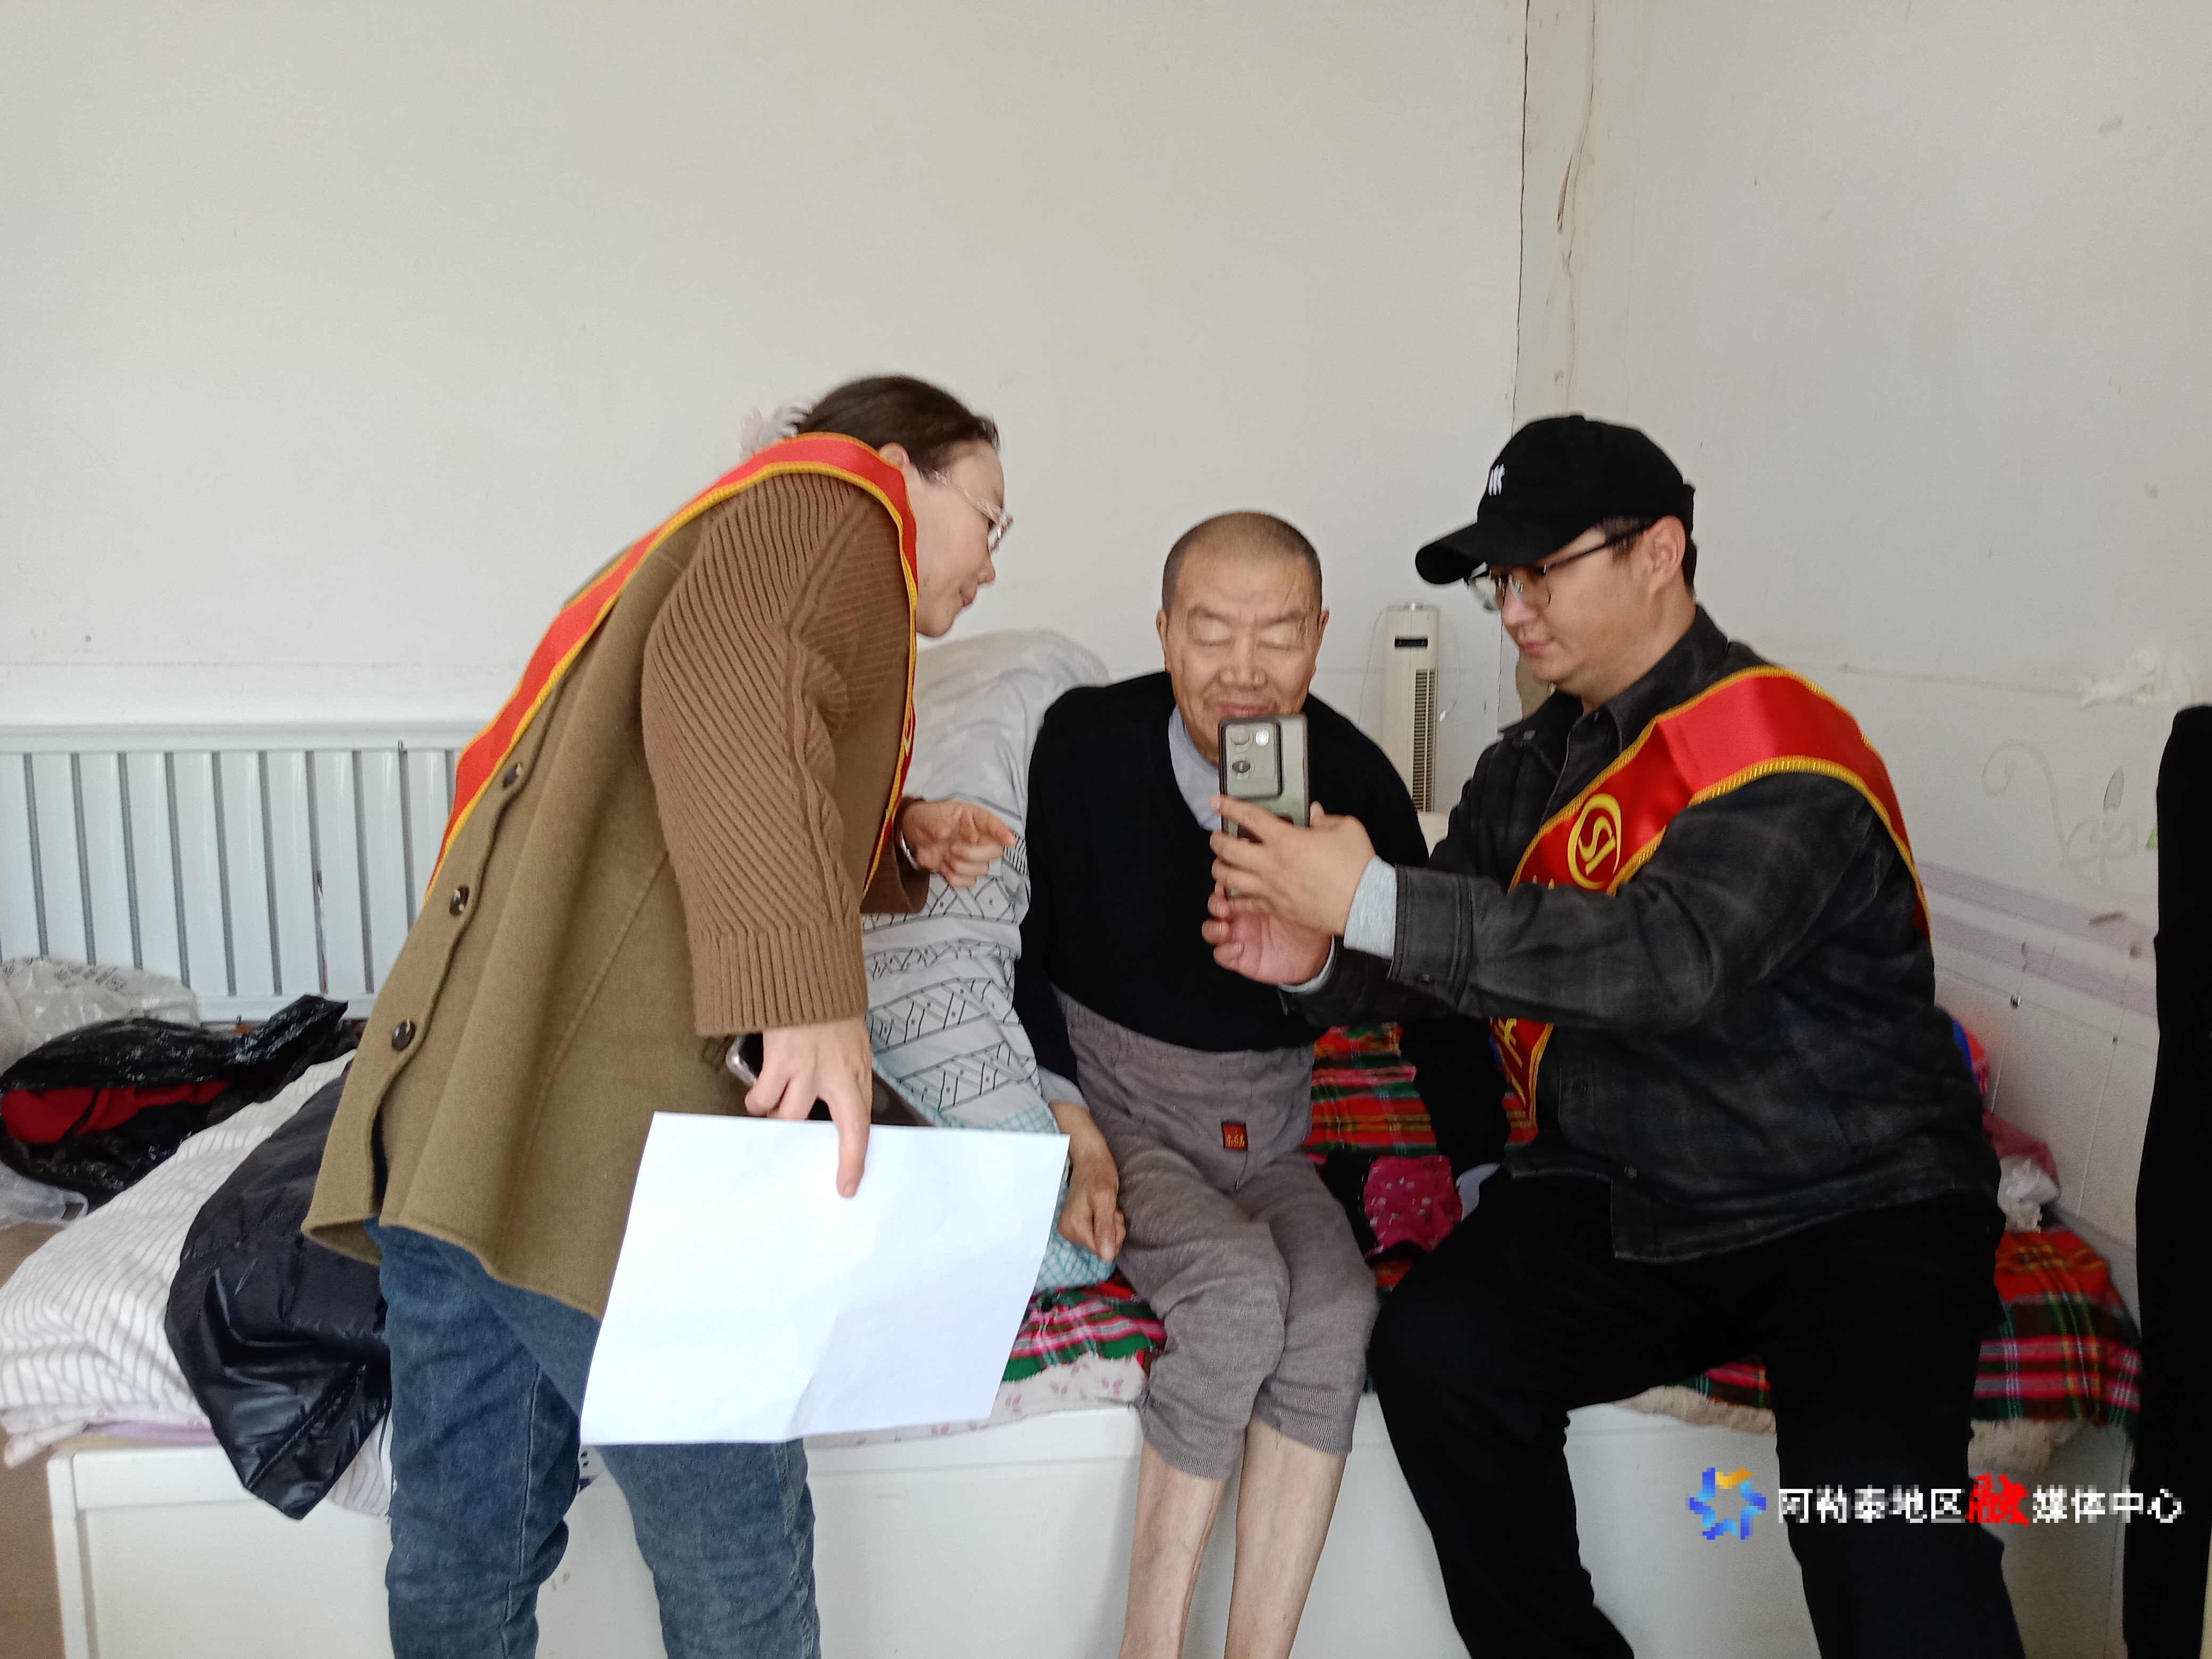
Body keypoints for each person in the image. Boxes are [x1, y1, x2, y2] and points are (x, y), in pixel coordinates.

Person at [1204, 416, 2024, 1658]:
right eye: (1500, 580)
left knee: (1874, 1514)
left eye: (1541, 570)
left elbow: (1665, 964)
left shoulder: (1776, 746)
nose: (1513, 609)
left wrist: (1369, 897)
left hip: (1851, 1201)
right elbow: (1448, 962)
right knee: (1438, 1356)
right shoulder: (1529, 765)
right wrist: (1316, 957)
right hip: (1628, 1190)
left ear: (1660, 553)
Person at [304, 375, 1023, 1659]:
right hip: (602, 1174)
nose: (990, 561)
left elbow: (668, 805)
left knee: (465, 1556)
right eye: (990, 516)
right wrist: (806, 995)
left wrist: (895, 838)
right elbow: (739, 680)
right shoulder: (837, 503)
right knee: (738, 1566)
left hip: (463, 1136)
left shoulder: (729, 531)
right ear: (904, 466)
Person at [1012, 513, 1447, 1659]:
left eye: (1278, 635)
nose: (1244, 670)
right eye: (1211, 634)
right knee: (1239, 1291)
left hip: (1274, 1131)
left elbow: (1430, 992)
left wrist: (1311, 968)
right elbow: (1013, 948)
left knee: (1339, 1309)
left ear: (1320, 636)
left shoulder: (1352, 781)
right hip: (1124, 1117)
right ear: (1163, 632)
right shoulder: (1082, 747)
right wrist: (1071, 1125)